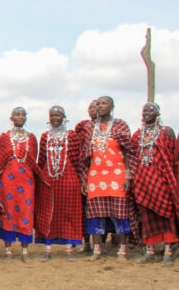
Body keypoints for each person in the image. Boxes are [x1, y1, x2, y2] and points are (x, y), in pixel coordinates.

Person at [78, 96, 137, 261]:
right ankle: (96, 251)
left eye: (103, 103)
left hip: (117, 176)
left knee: (120, 213)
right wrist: (84, 179)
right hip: (95, 177)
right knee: (95, 214)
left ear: (112, 106)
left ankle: (122, 252)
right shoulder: (90, 128)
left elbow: (128, 152)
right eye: (97, 104)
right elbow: (84, 156)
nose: (99, 107)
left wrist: (128, 175)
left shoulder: (120, 125)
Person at [0, 107, 43, 263]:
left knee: (26, 212)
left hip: (27, 180)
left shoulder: (31, 138)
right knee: (8, 211)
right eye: (17, 115)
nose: (20, 117)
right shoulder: (5, 137)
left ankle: (25, 251)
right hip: (7, 181)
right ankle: (8, 251)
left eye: (23, 115)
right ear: (11, 117)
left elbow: (33, 160)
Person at [130, 102, 178, 265]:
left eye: (151, 110)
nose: (147, 113)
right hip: (142, 180)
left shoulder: (167, 132)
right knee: (146, 215)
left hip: (162, 179)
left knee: (166, 214)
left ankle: (168, 251)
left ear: (158, 112)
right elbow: (133, 158)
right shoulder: (137, 135)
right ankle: (149, 250)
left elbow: (174, 157)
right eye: (144, 110)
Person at [34, 106, 83, 261]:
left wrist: (80, 179)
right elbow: (41, 160)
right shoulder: (44, 137)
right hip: (48, 181)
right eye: (52, 115)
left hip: (68, 180)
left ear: (64, 117)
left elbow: (77, 160)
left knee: (69, 213)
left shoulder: (72, 136)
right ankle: (47, 249)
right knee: (48, 213)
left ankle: (69, 250)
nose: (55, 118)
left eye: (58, 115)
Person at [74, 100, 98, 254]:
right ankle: (86, 243)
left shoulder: (110, 127)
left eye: (97, 106)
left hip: (104, 172)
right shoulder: (82, 127)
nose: (94, 109)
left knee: (101, 209)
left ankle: (102, 243)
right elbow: (77, 150)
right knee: (84, 210)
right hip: (84, 171)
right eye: (91, 107)